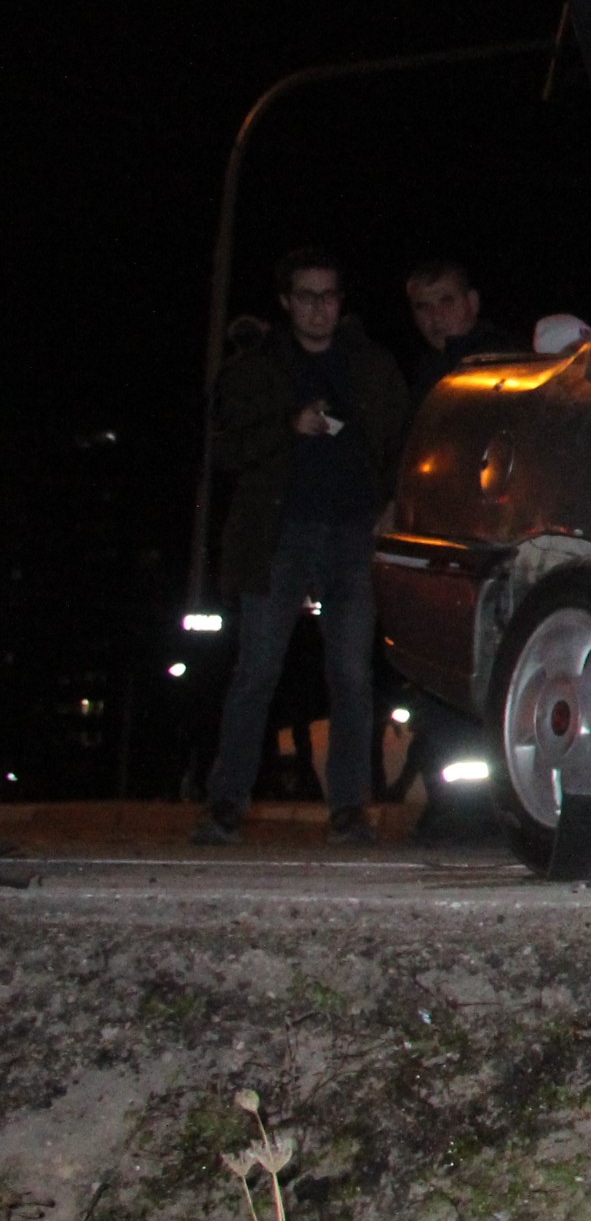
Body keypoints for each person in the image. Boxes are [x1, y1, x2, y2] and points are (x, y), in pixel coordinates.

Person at [199, 248, 410, 845]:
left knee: (351, 675)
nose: (319, 308)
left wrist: (393, 503)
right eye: (307, 296)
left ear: (341, 302)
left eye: (329, 296)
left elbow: (403, 439)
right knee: (256, 670)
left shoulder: (370, 365)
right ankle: (225, 804)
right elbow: (225, 447)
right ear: (286, 302)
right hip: (279, 535)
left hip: (352, 533)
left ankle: (349, 808)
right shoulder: (256, 367)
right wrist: (286, 427)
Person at [403, 255, 523, 389]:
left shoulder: (503, 360)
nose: (435, 317)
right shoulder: (423, 370)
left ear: (472, 302)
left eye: (446, 302)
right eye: (424, 307)